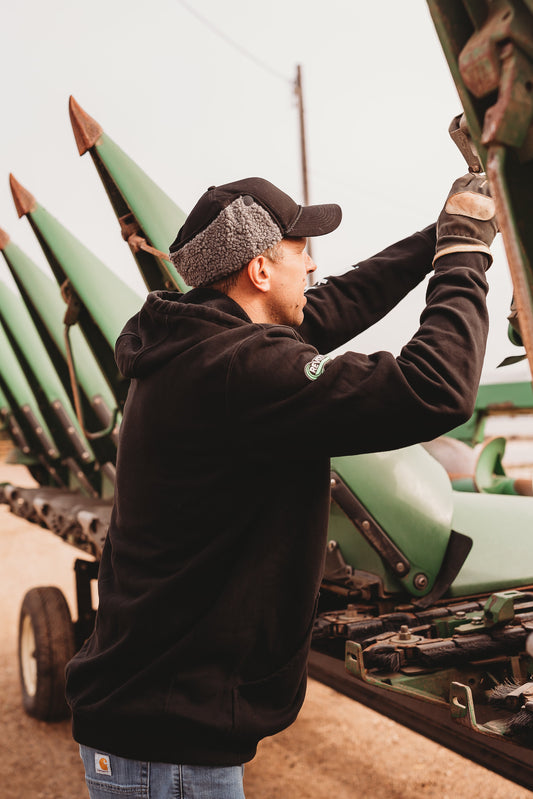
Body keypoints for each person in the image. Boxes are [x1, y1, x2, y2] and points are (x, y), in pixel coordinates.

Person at [66, 174, 497, 798]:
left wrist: (443, 233)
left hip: (152, 729)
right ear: (261, 271)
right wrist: (464, 261)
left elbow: (333, 304)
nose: (315, 264)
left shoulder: (197, 345)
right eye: (301, 251)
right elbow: (434, 388)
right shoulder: (238, 372)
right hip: (167, 751)